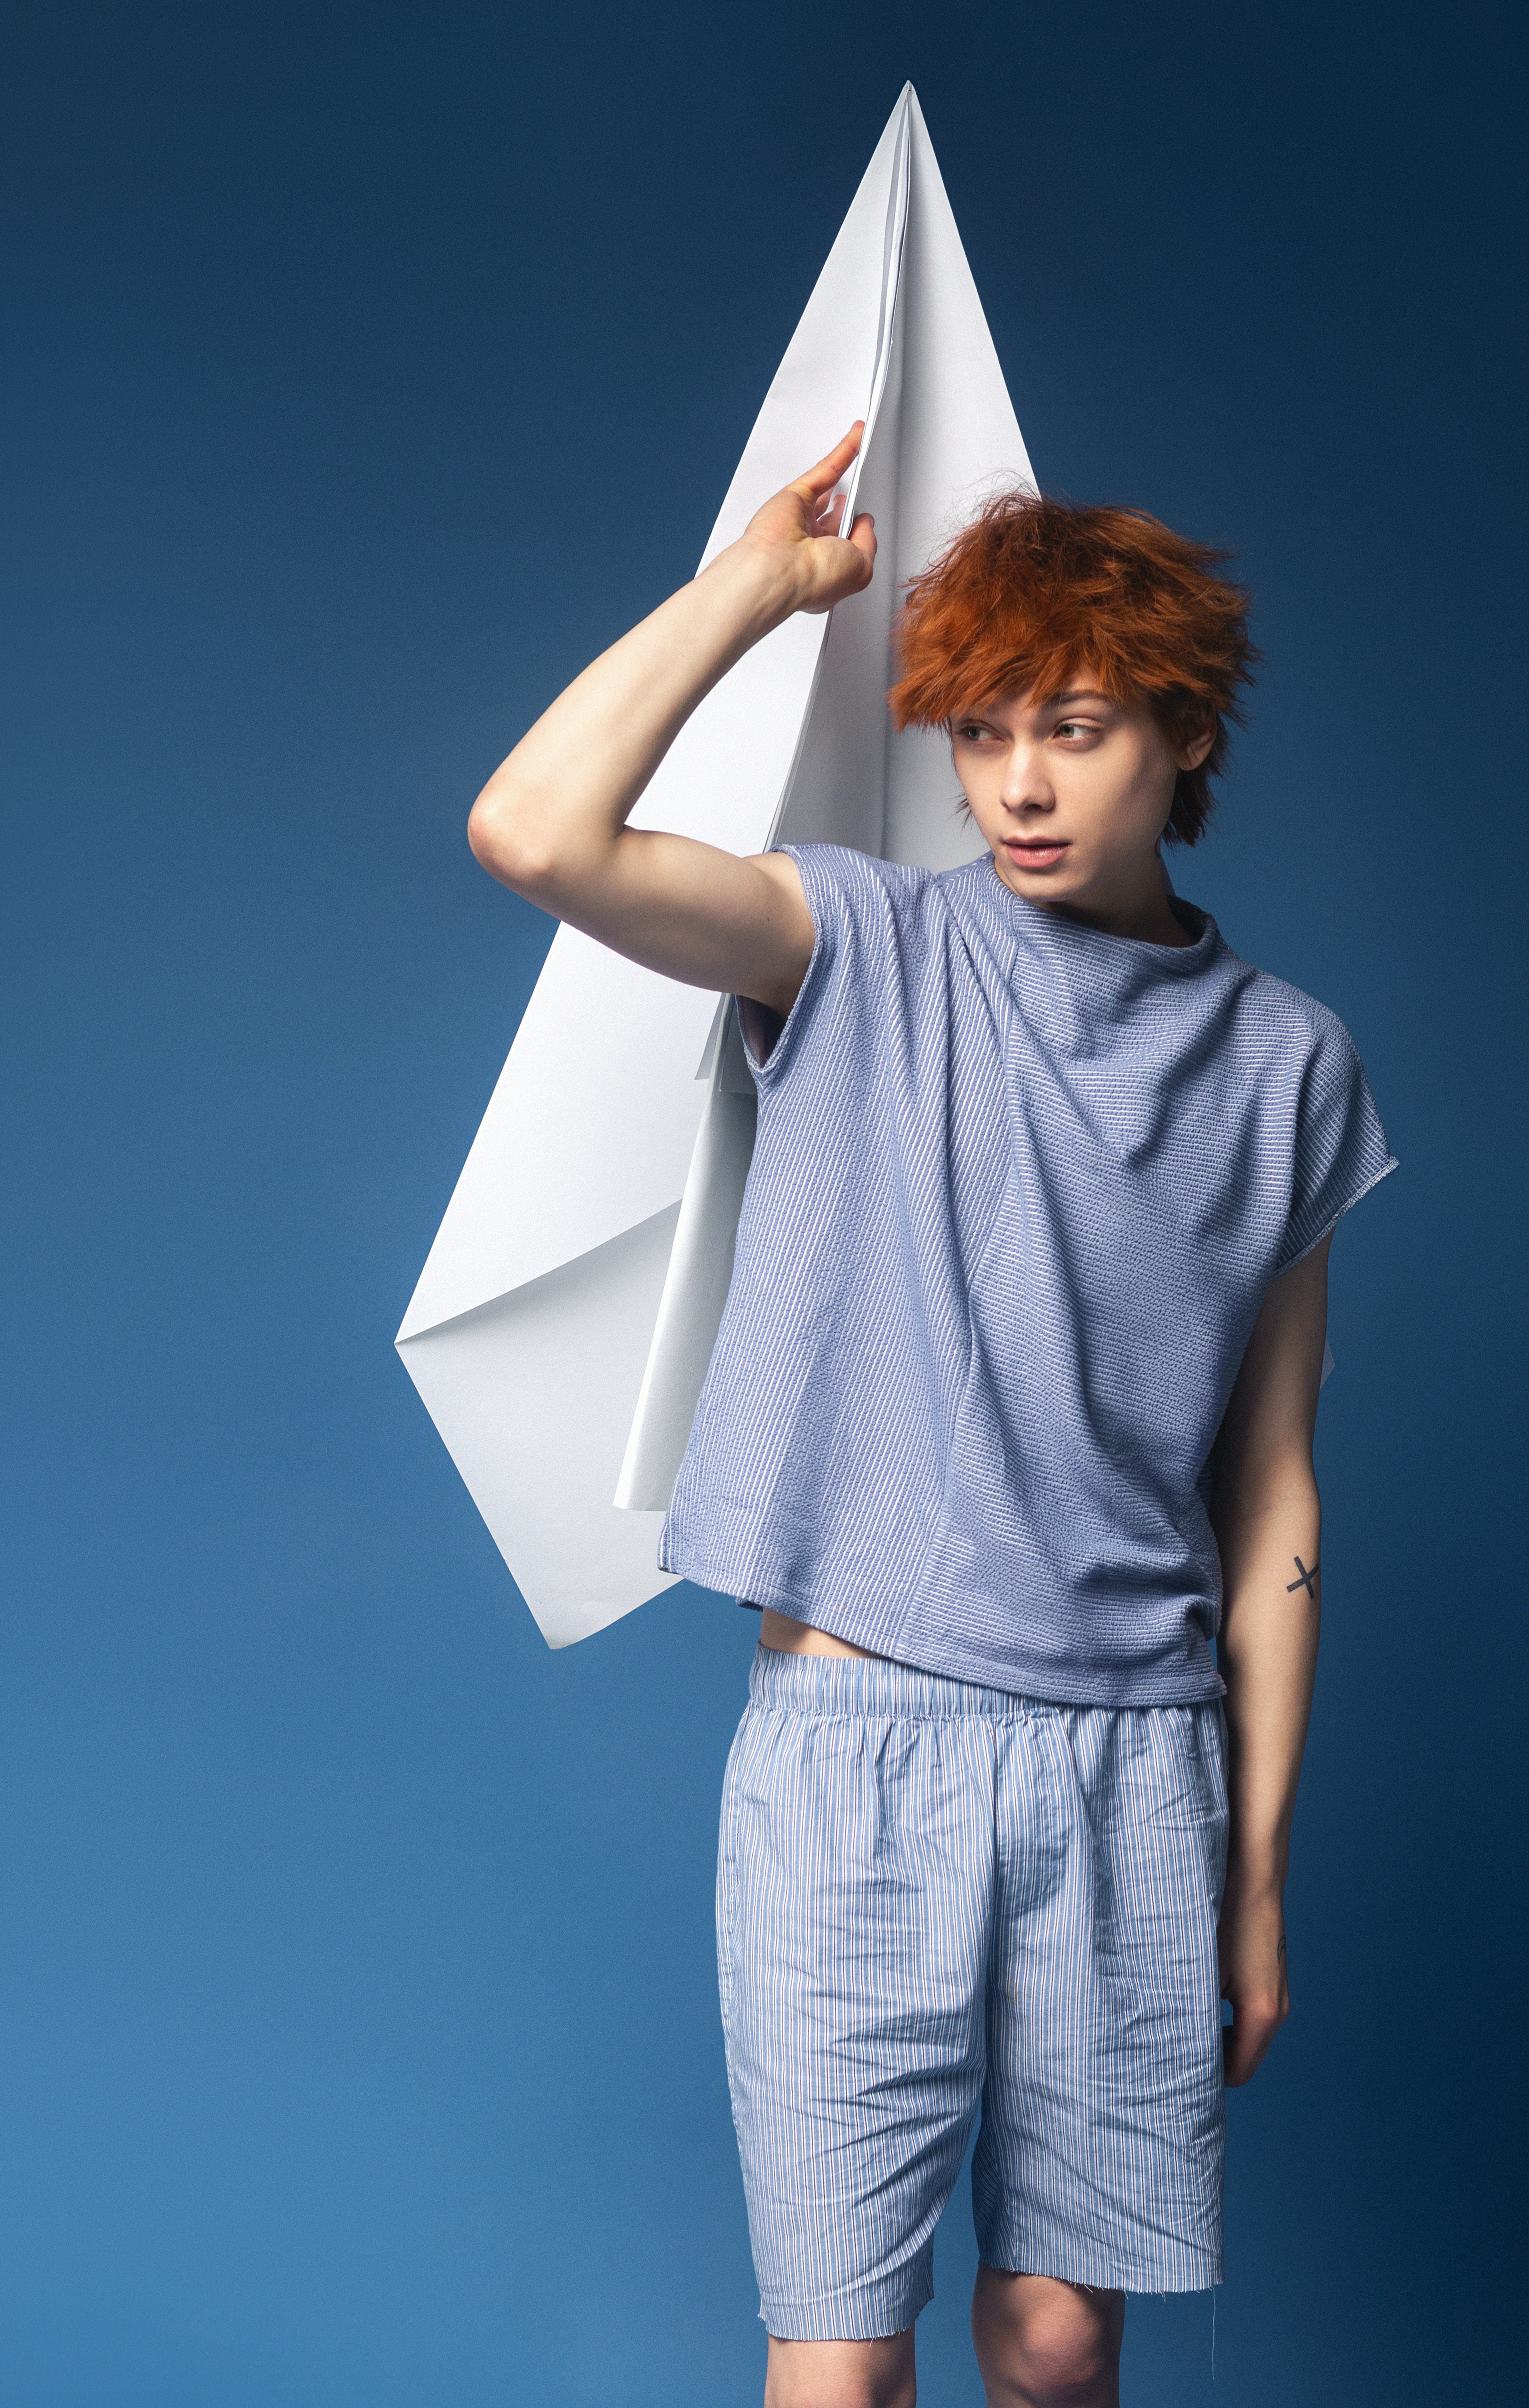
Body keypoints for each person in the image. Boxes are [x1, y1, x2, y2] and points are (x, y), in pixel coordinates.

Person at [467, 424, 1395, 2408]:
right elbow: (533, 834)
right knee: (840, 2374)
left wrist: (1254, 1877)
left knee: (1057, 2348)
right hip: (853, 1742)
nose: (1020, 784)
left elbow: (1277, 1492)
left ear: (1183, 734)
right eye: (979, 735)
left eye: (1069, 726)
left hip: (1134, 1766)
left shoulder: (1289, 1067)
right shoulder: (862, 945)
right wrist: (754, 588)